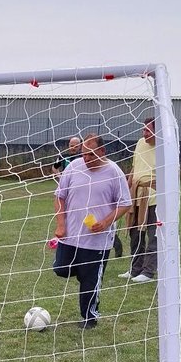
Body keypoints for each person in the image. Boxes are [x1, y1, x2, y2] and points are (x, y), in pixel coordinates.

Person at [52, 134, 131, 329]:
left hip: (97, 240)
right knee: (61, 269)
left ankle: (89, 318)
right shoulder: (73, 167)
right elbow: (59, 196)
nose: (86, 158)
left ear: (102, 151)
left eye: (90, 154)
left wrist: (104, 222)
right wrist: (61, 225)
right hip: (70, 236)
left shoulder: (114, 172)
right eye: (84, 154)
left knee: (90, 282)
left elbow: (125, 204)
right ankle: (86, 272)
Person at [123, 116, 158, 283]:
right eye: (143, 129)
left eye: (147, 130)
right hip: (136, 195)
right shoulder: (139, 143)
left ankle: (148, 271)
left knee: (153, 235)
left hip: (154, 197)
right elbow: (134, 167)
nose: (144, 133)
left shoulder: (165, 148)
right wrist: (128, 188)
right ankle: (135, 269)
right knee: (135, 233)